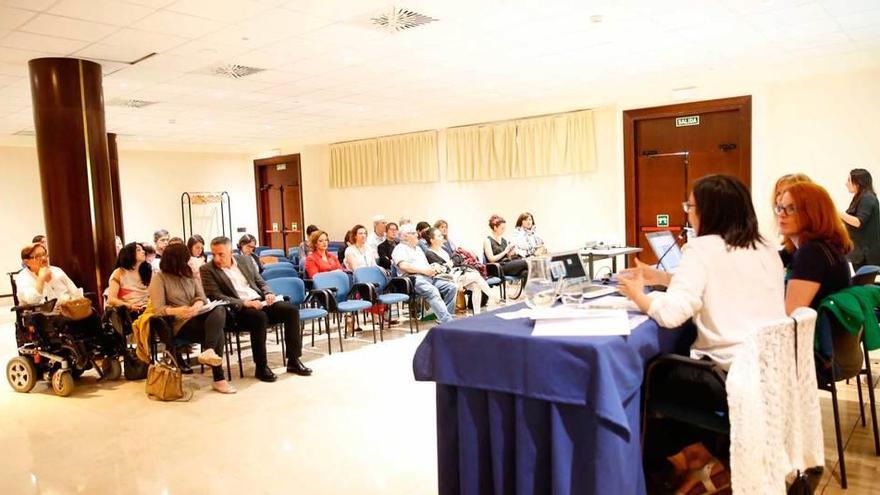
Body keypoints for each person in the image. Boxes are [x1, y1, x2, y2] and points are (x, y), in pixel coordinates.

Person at [618, 174, 786, 369]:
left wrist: (637, 295)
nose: (688, 213)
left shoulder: (701, 248)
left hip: (727, 370)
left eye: (690, 207)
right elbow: (725, 285)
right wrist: (661, 277)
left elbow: (670, 315)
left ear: (708, 212)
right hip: (772, 365)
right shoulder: (765, 246)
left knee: (653, 371)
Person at [201, 237, 311, 379]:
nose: (216, 258)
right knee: (259, 318)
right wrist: (245, 303)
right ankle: (261, 366)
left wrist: (268, 293)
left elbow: (260, 281)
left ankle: (293, 360)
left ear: (230, 252)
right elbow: (216, 296)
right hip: (238, 309)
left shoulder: (244, 261)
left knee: (291, 311)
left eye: (220, 254)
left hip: (259, 301)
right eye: (214, 254)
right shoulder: (207, 270)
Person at [148, 243, 234, 394]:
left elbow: (201, 297)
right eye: (185, 259)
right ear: (176, 260)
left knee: (220, 309)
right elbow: (158, 309)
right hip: (179, 324)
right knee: (217, 330)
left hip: (197, 315)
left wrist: (197, 306)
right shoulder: (159, 278)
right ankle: (218, 378)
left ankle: (209, 351)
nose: (189, 261)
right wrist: (177, 310)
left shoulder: (189, 274)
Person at [778, 182, 852, 314]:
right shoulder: (825, 247)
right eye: (780, 207)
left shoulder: (811, 253)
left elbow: (791, 317)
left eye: (791, 208)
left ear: (812, 213)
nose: (781, 214)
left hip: (812, 333)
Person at [392, 223, 457, 323]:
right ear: (405, 236)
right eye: (413, 233)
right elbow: (404, 266)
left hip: (428, 277)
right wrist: (424, 271)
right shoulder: (399, 249)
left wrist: (432, 268)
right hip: (413, 279)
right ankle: (448, 321)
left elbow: (426, 265)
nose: (417, 235)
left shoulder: (418, 249)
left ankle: (445, 317)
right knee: (433, 292)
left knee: (451, 287)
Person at [424, 227, 496, 314]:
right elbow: (443, 269)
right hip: (446, 278)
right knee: (476, 275)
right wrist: (451, 264)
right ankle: (494, 297)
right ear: (432, 240)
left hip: (455, 274)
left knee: (476, 285)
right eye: (439, 236)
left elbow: (453, 263)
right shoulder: (429, 253)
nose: (442, 236)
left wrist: (452, 263)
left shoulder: (443, 249)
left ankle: (477, 314)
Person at [840, 169, 880, 271]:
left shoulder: (867, 198)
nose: (846, 184)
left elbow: (858, 222)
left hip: (867, 256)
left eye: (849, 180)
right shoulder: (859, 198)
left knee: (868, 284)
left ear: (858, 183)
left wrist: (837, 212)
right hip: (859, 254)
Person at [16, 242, 81, 305]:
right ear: (27, 262)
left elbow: (75, 292)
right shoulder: (22, 278)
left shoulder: (56, 270)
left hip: (68, 310)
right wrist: (41, 278)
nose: (44, 258)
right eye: (38, 256)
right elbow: (33, 301)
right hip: (40, 315)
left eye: (44, 254)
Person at [107, 242, 151, 312]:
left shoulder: (147, 272)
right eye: (138, 250)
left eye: (143, 249)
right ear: (129, 254)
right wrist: (130, 306)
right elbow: (111, 299)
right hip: (129, 311)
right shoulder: (119, 272)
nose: (143, 251)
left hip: (147, 308)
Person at [483, 214, 528, 281]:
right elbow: (491, 259)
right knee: (526, 262)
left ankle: (528, 291)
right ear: (495, 227)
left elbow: (507, 257)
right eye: (502, 228)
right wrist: (505, 251)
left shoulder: (503, 240)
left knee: (525, 272)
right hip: (497, 267)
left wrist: (510, 253)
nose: (504, 230)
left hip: (506, 264)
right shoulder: (487, 241)